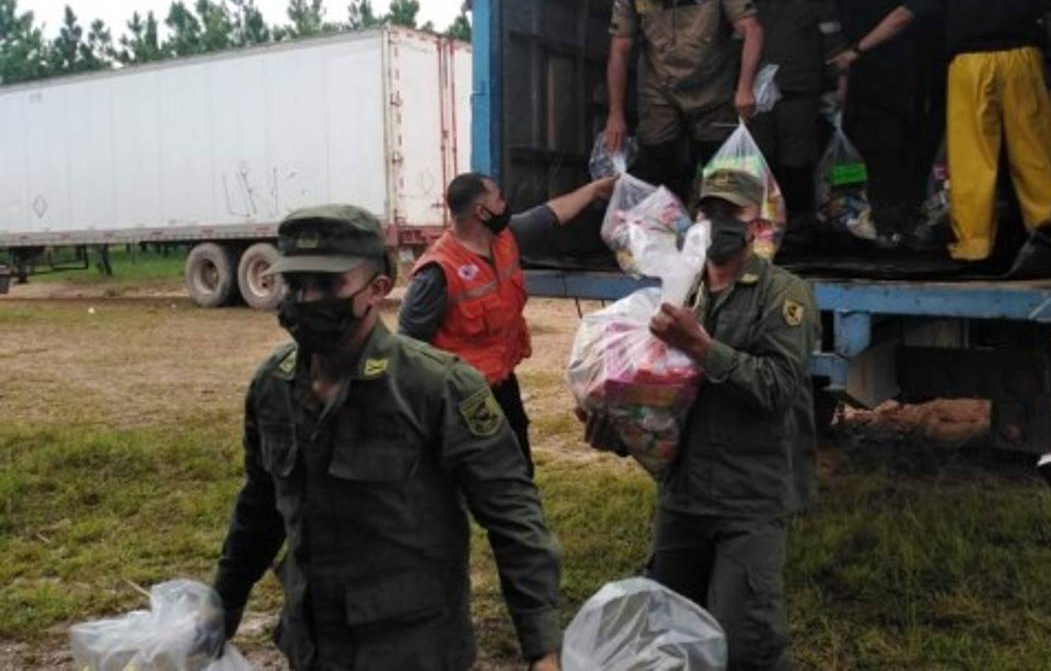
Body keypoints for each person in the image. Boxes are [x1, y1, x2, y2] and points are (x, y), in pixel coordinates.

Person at [212, 205, 562, 671]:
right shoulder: (273, 386)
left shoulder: (436, 388)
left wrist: (542, 650)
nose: (307, 299)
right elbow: (260, 507)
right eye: (295, 284)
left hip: (413, 649)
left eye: (328, 285)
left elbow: (514, 520)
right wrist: (223, 605)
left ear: (377, 289)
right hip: (313, 645)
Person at [585, 168, 819, 670]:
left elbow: (778, 388)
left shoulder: (783, 295)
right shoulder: (678, 292)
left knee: (745, 645)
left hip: (747, 500)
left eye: (731, 213)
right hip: (684, 497)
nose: (716, 223)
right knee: (670, 638)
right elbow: (660, 406)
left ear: (757, 226)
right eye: (708, 211)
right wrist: (618, 431)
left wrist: (701, 347)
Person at [829, 0, 1051, 262]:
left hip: (970, 65)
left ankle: (974, 245)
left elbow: (903, 17)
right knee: (1036, 150)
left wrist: (856, 50)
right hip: (1024, 60)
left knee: (972, 157)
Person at [399, 172, 614, 475]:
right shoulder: (437, 272)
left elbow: (550, 215)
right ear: (482, 212)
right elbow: (407, 348)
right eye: (498, 199)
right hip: (463, 395)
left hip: (502, 381)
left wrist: (594, 190)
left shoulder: (504, 238)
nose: (505, 204)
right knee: (481, 475)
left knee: (518, 467)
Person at [604, 0, 764, 199]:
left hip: (711, 88)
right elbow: (620, 49)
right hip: (659, 89)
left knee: (723, 171)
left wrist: (745, 88)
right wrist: (615, 113)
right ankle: (667, 219)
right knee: (657, 163)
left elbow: (751, 28)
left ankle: (719, 222)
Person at [746, 0, 849, 220]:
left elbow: (834, 46)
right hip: (758, 97)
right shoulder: (750, 1)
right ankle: (765, 222)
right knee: (760, 160)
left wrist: (840, 85)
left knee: (797, 161)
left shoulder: (814, 0)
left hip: (799, 93)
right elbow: (735, 46)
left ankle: (800, 222)